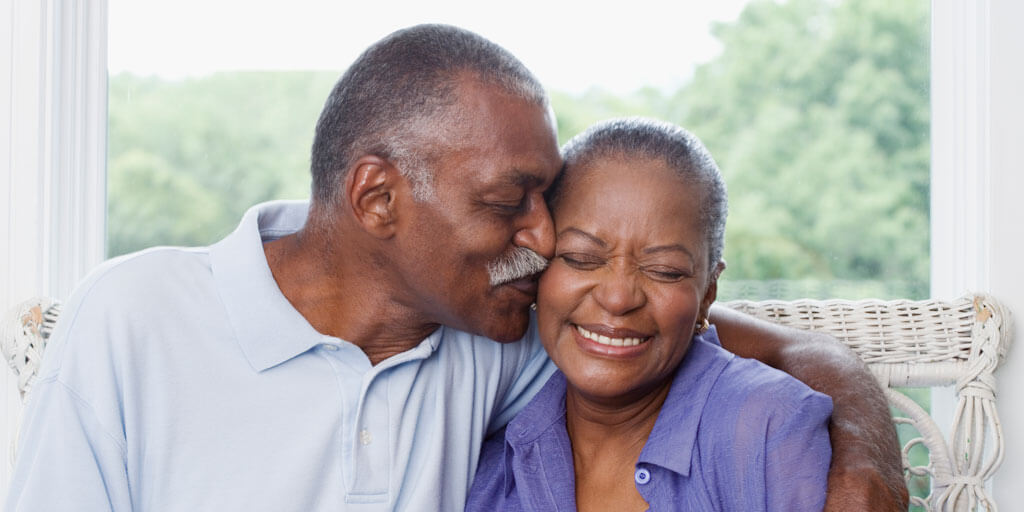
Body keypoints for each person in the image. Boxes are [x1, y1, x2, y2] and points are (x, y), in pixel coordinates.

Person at [5, 25, 905, 511]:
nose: (546, 238)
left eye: (548, 200)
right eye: (508, 199)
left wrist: (866, 450)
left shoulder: (496, 334)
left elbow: (702, 334)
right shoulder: (134, 317)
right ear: (377, 198)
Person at [467, 118, 832, 511]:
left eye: (664, 271)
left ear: (708, 291)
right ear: (539, 270)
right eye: (581, 258)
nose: (619, 298)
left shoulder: (767, 429)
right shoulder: (491, 458)